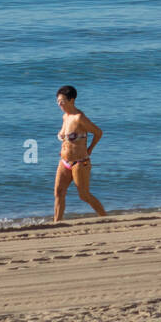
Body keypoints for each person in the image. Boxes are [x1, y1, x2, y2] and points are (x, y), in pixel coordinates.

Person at [54, 85, 106, 222]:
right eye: (58, 101)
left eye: (62, 101)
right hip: (64, 162)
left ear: (71, 100)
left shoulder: (79, 118)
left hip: (80, 162)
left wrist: (90, 149)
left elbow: (98, 132)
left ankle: (105, 218)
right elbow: (65, 135)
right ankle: (56, 223)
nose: (59, 104)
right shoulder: (65, 117)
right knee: (58, 193)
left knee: (84, 195)